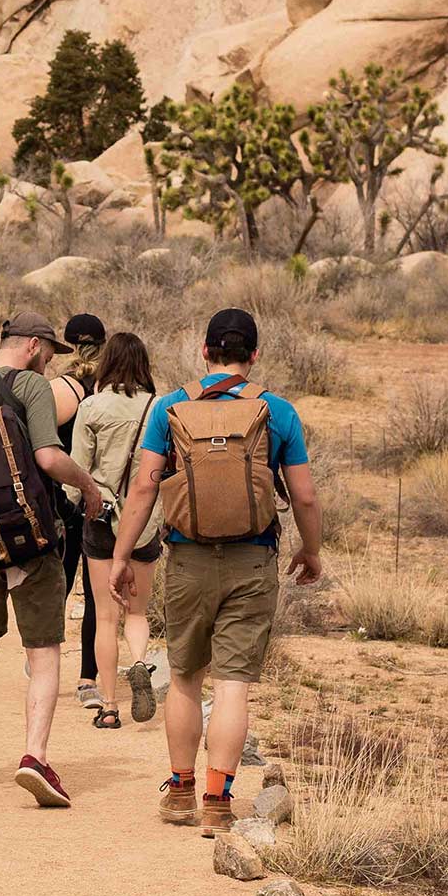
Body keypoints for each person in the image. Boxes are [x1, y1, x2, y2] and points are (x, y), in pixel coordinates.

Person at [109, 307, 322, 835]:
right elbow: (305, 496)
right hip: (253, 559)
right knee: (232, 686)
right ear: (253, 356)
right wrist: (311, 550)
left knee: (184, 677)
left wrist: (121, 554)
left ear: (205, 352)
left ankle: (180, 791)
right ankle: (218, 800)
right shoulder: (279, 412)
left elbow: (143, 488)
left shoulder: (170, 408)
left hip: (187, 558)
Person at [0, 310, 102, 806]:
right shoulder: (33, 388)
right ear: (33, 345)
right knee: (44, 650)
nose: (49, 362)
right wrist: (89, 486)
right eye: (50, 353)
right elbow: (49, 459)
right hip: (33, 540)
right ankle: (34, 756)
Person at [70, 330, 163, 729]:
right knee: (137, 612)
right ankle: (140, 662)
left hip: (101, 521)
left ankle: (108, 706)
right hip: (144, 523)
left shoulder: (91, 407)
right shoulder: (160, 408)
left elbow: (76, 468)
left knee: (105, 617)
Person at [54, 312, 107, 709]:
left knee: (57, 582)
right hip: (100, 502)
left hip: (63, 501)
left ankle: (46, 666)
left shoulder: (59, 389)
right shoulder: (110, 391)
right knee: (94, 595)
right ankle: (88, 678)